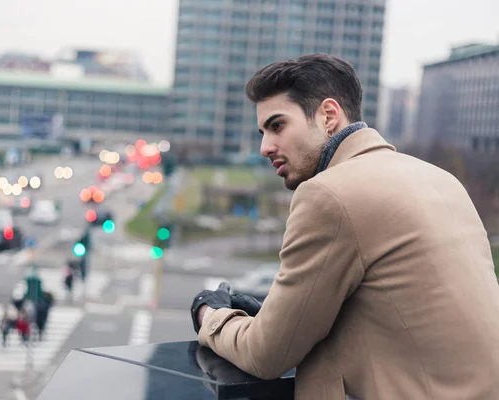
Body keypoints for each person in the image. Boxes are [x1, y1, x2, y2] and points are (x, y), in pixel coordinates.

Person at [190, 53, 499, 399]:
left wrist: (210, 313)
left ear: (328, 116)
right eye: (262, 132)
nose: (265, 147)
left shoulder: (328, 195)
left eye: (277, 126)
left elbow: (265, 355)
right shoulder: (441, 180)